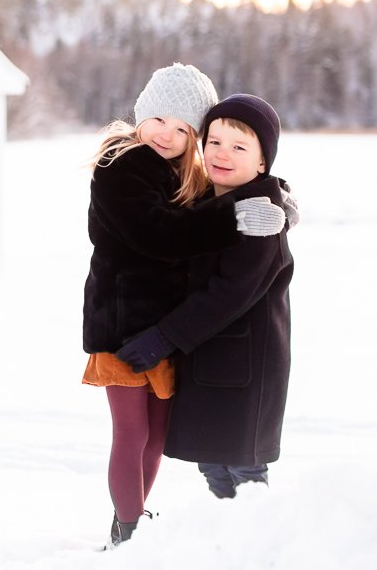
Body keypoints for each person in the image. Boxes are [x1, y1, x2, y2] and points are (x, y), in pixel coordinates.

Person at [81, 67, 289, 547]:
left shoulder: (177, 170)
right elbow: (161, 235)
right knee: (132, 434)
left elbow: (204, 214)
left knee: (156, 436)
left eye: (183, 129)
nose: (166, 134)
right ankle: (129, 530)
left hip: (160, 332)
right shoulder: (124, 165)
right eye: (159, 119)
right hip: (122, 326)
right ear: (141, 111)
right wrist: (238, 216)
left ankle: (131, 520)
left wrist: (277, 201)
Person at [116, 93, 295, 501]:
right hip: (207, 360)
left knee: (243, 466)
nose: (222, 154)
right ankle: (226, 541)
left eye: (239, 147)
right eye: (214, 142)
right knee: (212, 463)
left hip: (248, 364)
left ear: (263, 162)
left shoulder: (261, 217)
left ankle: (258, 548)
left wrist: (162, 338)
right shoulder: (204, 203)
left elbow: (228, 294)